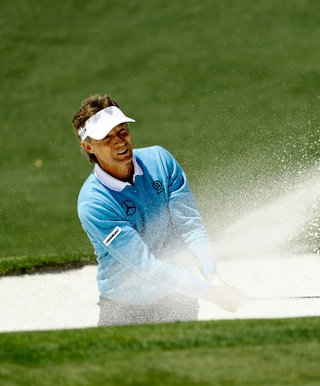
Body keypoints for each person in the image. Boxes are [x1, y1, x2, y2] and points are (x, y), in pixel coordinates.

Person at [72, 94, 244, 326]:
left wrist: (213, 278)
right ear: (88, 146)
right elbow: (144, 266)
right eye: (107, 137)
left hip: (180, 299)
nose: (120, 142)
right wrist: (210, 293)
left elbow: (190, 226)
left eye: (123, 131)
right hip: (125, 309)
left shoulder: (160, 161)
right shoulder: (93, 202)